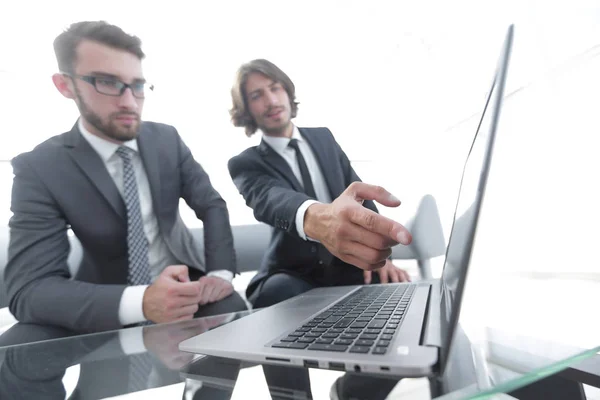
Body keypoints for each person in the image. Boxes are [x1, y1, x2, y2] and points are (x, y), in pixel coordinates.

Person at [3, 20, 246, 336]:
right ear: (65, 85)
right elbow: (29, 290)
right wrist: (143, 302)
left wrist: (220, 273)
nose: (130, 102)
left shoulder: (166, 140)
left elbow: (211, 204)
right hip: (107, 299)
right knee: (19, 344)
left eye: (138, 85)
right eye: (107, 82)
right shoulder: (41, 168)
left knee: (235, 317)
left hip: (189, 288)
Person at [227, 59, 412, 308]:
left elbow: (357, 192)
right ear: (246, 108)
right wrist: (319, 218)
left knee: (396, 291)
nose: (271, 101)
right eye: (257, 95)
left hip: (348, 265)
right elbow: (271, 200)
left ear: (287, 90)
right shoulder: (245, 163)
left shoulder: (323, 138)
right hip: (291, 275)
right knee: (285, 295)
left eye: (275, 88)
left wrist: (381, 258)